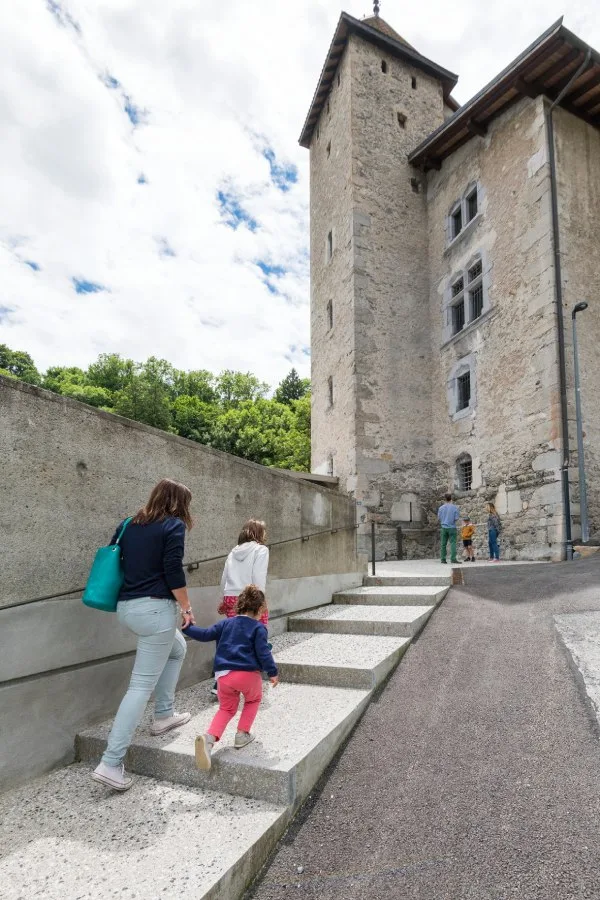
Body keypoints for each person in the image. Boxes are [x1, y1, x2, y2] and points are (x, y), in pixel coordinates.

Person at [91, 478, 196, 792]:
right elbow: (172, 569)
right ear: (179, 503)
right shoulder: (173, 526)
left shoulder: (128, 523)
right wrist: (187, 608)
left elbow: (120, 559)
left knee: (177, 649)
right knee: (139, 687)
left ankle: (164, 714)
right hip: (155, 611)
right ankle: (111, 762)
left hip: (126, 608)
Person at [183, 585, 278, 770]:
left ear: (239, 606)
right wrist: (272, 672)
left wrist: (187, 627)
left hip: (224, 676)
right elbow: (263, 652)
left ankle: (209, 740)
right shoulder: (259, 628)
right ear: (260, 609)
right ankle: (242, 734)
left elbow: (204, 634)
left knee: (226, 709)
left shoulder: (226, 623)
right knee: (253, 700)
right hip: (248, 675)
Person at [210, 519, 270, 697]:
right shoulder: (261, 550)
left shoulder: (233, 552)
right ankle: (248, 678)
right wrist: (261, 601)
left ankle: (220, 681)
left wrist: (223, 599)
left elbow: (224, 578)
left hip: (231, 596)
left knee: (233, 638)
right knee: (256, 636)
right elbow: (258, 577)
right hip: (250, 596)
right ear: (259, 534)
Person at [438, 492, 461, 564]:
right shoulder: (455, 507)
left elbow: (439, 518)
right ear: (451, 499)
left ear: (444, 499)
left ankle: (443, 559)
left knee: (443, 544)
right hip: (452, 527)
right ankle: (453, 558)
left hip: (444, 527)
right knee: (453, 543)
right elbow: (456, 518)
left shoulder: (441, 508)